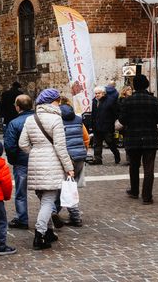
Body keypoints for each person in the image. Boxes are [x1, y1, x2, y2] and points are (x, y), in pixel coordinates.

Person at [18, 88, 74, 250]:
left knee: (44, 200)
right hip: (52, 163)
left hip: (35, 162)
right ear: (53, 102)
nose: (60, 103)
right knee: (49, 200)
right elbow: (60, 147)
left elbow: (22, 144)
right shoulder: (56, 119)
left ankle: (48, 231)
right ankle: (40, 234)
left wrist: (35, 152)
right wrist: (69, 167)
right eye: (58, 100)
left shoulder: (30, 119)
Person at [118, 74, 158, 205]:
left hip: (132, 137)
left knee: (134, 166)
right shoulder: (154, 101)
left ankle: (134, 191)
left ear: (134, 86)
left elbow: (122, 120)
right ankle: (147, 196)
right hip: (150, 138)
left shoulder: (127, 101)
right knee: (149, 168)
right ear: (147, 85)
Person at [53, 97, 87, 227]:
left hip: (68, 158)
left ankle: (73, 216)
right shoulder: (79, 120)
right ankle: (55, 211)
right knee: (68, 186)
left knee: (66, 187)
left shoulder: (58, 122)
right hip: (79, 156)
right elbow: (85, 138)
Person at [3, 93, 34, 229]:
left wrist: (13, 160)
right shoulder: (39, 120)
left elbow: (10, 146)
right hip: (40, 160)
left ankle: (22, 219)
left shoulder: (14, 123)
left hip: (21, 161)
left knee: (21, 192)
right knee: (46, 191)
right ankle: (51, 213)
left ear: (17, 107)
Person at [89, 85, 120, 165]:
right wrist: (92, 125)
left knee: (110, 142)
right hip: (96, 126)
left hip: (107, 126)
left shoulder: (110, 101)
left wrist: (111, 122)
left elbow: (116, 113)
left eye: (98, 93)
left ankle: (116, 154)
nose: (97, 95)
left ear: (103, 93)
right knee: (96, 144)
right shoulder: (94, 101)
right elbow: (93, 114)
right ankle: (97, 159)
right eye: (95, 93)